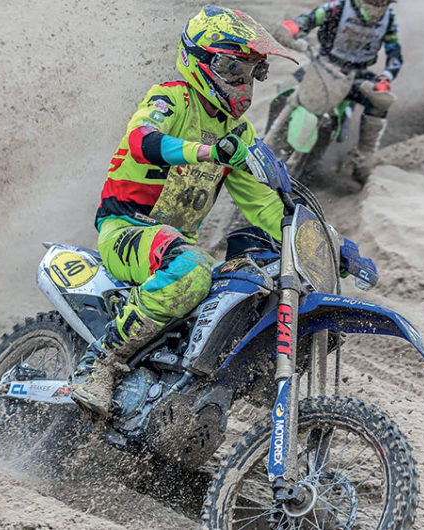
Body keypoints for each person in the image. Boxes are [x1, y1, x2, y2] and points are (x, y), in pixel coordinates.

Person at [69, 5, 378, 418]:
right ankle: (100, 362)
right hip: (128, 230)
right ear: (202, 61)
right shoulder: (170, 98)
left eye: (252, 73)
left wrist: (332, 245)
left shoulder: (239, 133)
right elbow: (143, 139)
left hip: (176, 245)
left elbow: (266, 207)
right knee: (194, 269)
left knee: (250, 285)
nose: (243, 83)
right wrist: (208, 151)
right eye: (234, 69)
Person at [274, 0, 402, 181]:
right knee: (287, 87)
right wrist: (291, 29)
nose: (378, 2)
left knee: (381, 100)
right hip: (324, 66)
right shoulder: (338, 7)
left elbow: (394, 54)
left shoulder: (389, 19)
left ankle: (364, 156)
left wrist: (386, 77)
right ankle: (271, 136)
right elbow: (307, 20)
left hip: (356, 75)